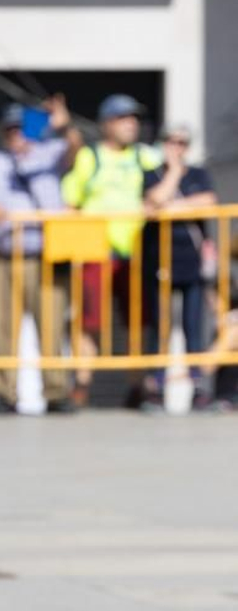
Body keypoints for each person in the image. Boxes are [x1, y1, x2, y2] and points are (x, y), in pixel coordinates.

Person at [0, 98, 77, 413]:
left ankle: (55, 391)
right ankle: (5, 393)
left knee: (51, 324)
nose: (17, 135)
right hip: (4, 254)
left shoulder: (49, 153)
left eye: (22, 128)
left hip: (44, 254)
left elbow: (75, 147)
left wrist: (63, 125)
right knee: (2, 325)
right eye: (11, 129)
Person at [61, 94, 162, 408]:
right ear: (106, 124)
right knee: (89, 322)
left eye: (134, 118)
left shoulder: (145, 157)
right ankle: (81, 385)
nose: (131, 124)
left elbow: (166, 185)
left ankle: (137, 387)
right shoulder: (90, 157)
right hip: (96, 252)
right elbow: (71, 201)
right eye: (122, 118)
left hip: (136, 253)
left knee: (137, 323)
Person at [141, 123, 217, 370]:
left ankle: (196, 382)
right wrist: (173, 172)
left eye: (181, 143)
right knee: (160, 326)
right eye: (171, 142)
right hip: (159, 260)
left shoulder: (198, 174)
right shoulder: (151, 174)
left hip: (191, 262)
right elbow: (153, 200)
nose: (176, 148)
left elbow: (209, 201)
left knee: (192, 326)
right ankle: (157, 382)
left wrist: (170, 207)